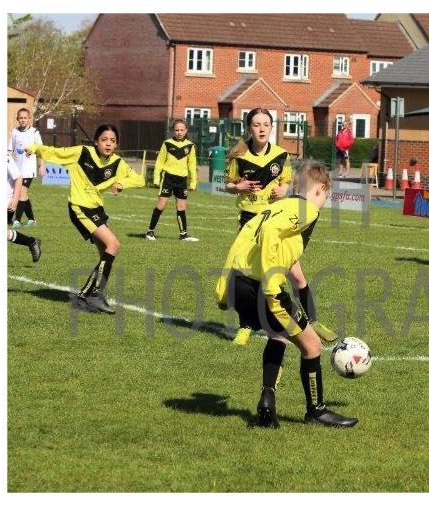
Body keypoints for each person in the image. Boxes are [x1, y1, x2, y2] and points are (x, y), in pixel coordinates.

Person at [215, 161, 358, 428]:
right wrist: (272, 288)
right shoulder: (306, 210)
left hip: (239, 284)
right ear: (320, 189)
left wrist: (223, 289)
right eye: (325, 196)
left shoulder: (276, 207)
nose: (324, 203)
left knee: (279, 334)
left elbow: (244, 238)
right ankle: (316, 411)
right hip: (262, 287)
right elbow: (271, 234)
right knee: (312, 346)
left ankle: (267, 401)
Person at [225, 107, 336, 346]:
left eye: (266, 124)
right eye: (257, 124)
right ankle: (246, 326)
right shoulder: (239, 156)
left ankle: (312, 321)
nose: (262, 129)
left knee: (297, 275)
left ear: (271, 127)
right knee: (249, 276)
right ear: (249, 128)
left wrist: (282, 190)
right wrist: (239, 187)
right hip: (251, 222)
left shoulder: (281, 155)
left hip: (277, 221)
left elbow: (289, 184)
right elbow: (228, 185)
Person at [25, 124, 144, 313]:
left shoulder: (117, 163)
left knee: (106, 253)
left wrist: (122, 183)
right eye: (104, 139)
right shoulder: (82, 153)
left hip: (97, 209)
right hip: (79, 207)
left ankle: (84, 297)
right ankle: (96, 295)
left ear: (116, 145)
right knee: (113, 244)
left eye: (112, 141)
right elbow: (56, 152)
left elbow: (139, 179)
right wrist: (35, 148)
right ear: (96, 141)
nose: (108, 144)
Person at [145, 119, 198, 242]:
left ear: (186, 131)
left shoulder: (190, 146)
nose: (179, 132)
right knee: (161, 204)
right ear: (173, 131)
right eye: (177, 130)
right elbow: (159, 162)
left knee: (181, 207)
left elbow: (192, 165)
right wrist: (156, 178)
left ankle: (183, 234)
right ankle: (150, 232)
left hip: (182, 180)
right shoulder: (167, 144)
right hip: (168, 178)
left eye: (182, 130)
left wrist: (193, 182)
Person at [8, 108, 45, 229]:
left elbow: (41, 150)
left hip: (29, 170)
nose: (23, 120)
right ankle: (32, 219)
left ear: (29, 119)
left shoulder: (34, 132)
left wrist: (42, 165)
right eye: (21, 118)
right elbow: (10, 150)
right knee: (22, 194)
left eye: (25, 118)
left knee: (21, 192)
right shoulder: (14, 132)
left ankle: (17, 221)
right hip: (17, 170)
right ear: (17, 119)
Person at [7, 153, 41, 262]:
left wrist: (15, 199)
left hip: (6, 201)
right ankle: (31, 242)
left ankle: (31, 241)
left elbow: (18, 178)